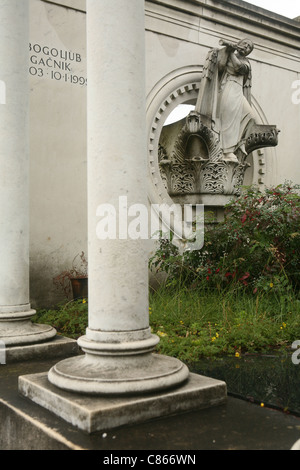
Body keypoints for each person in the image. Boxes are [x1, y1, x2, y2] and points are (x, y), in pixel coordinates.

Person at [195, 38, 257, 162]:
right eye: (245, 44)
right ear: (240, 43)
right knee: (228, 120)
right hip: (228, 87)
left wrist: (231, 50)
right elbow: (220, 66)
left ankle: (240, 142)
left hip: (238, 90)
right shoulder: (228, 54)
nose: (246, 47)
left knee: (251, 116)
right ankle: (226, 151)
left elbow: (239, 67)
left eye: (249, 47)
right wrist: (228, 50)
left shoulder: (246, 63)